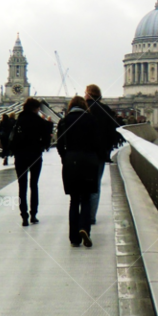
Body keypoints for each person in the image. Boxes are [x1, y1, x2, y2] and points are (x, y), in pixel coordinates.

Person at [56, 96, 102, 247]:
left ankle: (74, 238)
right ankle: (85, 229)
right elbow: (98, 143)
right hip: (89, 162)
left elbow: (59, 144)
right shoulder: (92, 120)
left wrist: (66, 157)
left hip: (71, 162)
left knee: (74, 200)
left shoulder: (64, 121)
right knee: (87, 198)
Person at [9, 98, 53, 226]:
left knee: (22, 186)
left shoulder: (19, 121)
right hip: (35, 155)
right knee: (34, 185)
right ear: (35, 108)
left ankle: (24, 216)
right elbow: (46, 143)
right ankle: (33, 214)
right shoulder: (40, 122)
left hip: (20, 156)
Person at [84, 84, 122, 225]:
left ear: (88, 94)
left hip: (82, 153)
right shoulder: (106, 110)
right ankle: (91, 216)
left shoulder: (82, 109)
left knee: (82, 185)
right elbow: (113, 132)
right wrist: (107, 150)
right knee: (95, 185)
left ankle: (83, 213)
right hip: (99, 154)